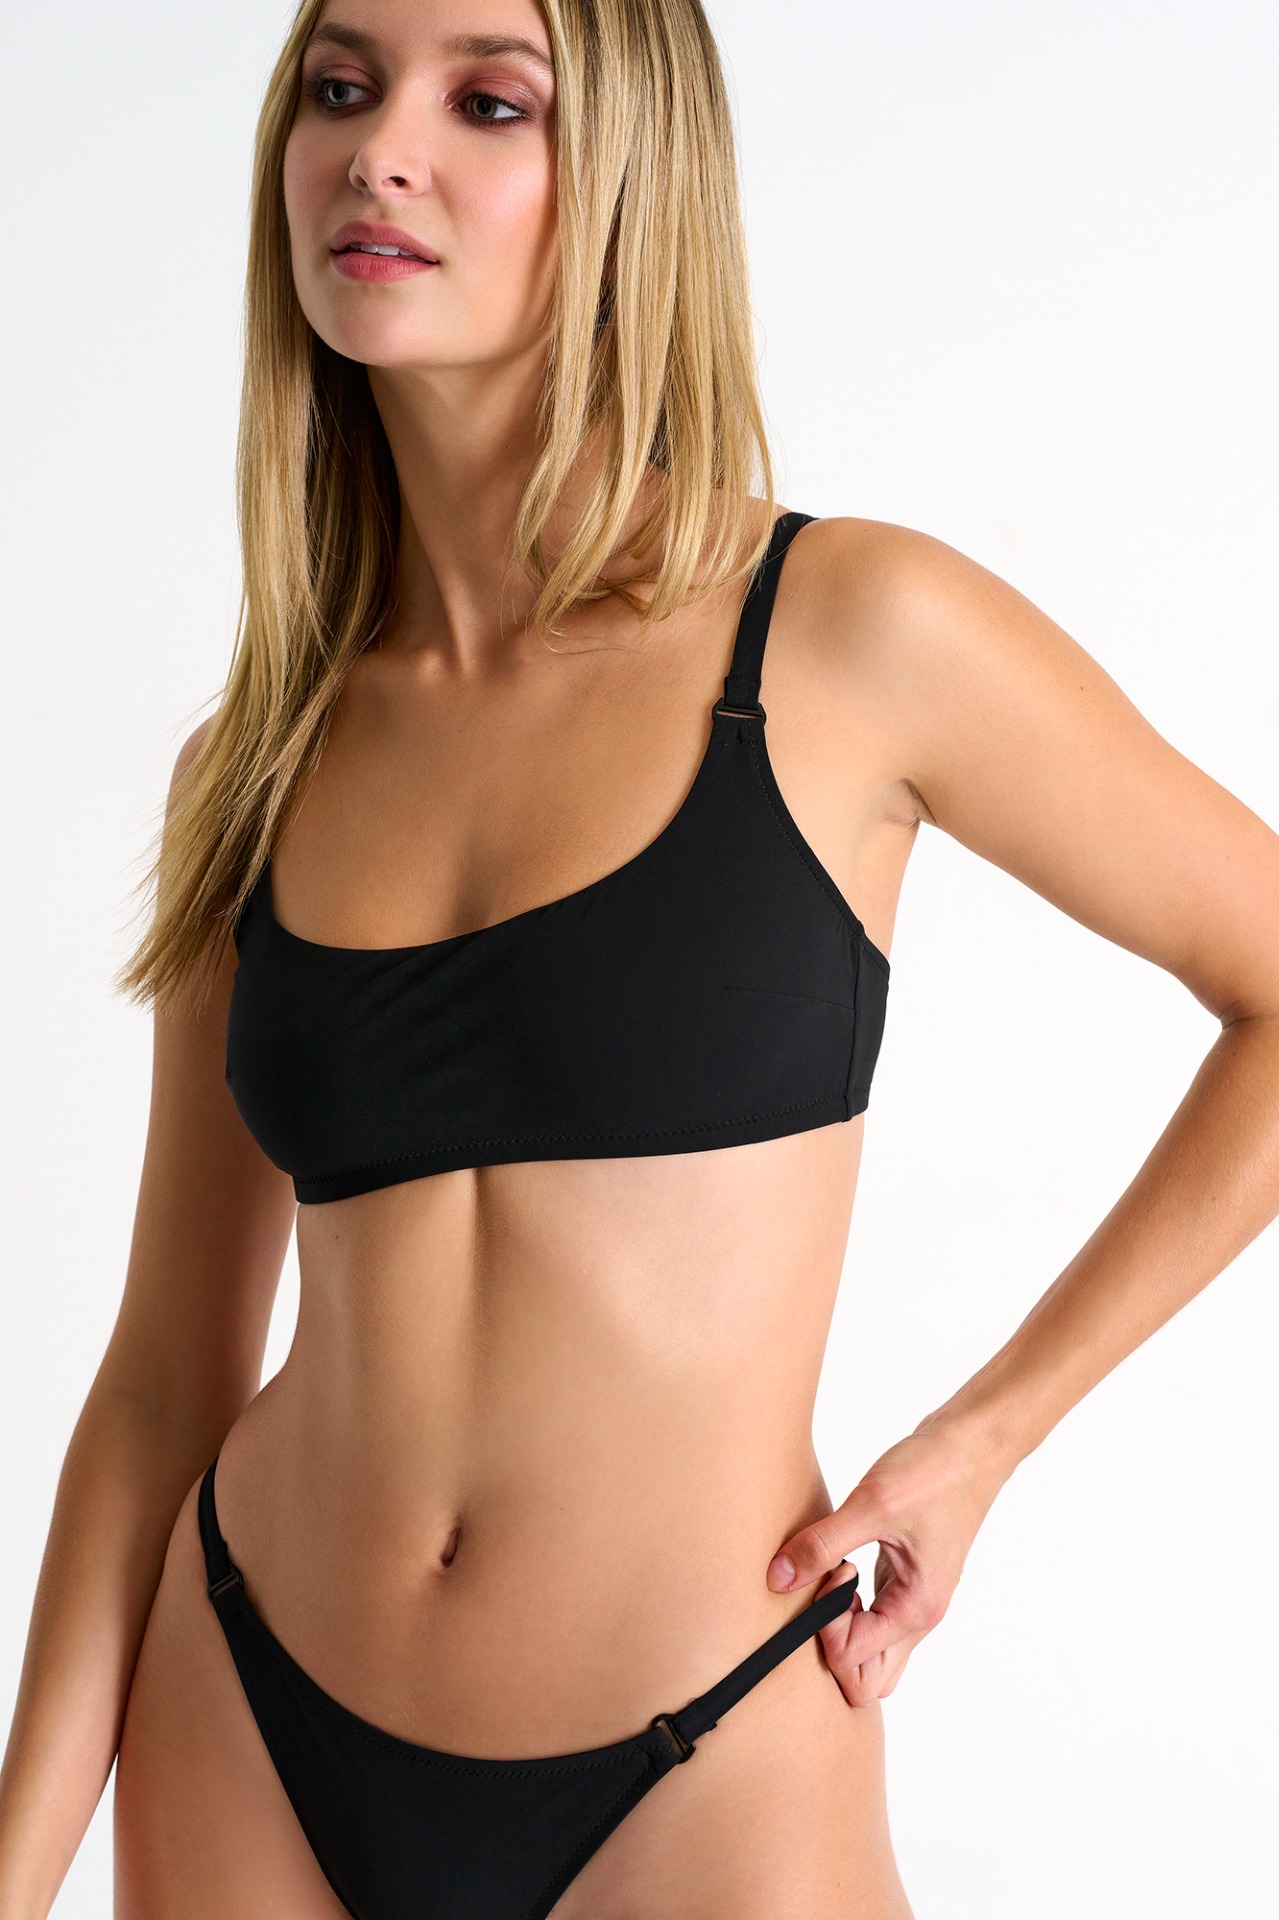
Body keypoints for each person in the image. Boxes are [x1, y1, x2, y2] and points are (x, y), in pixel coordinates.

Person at [2, 1, 1278, 1915]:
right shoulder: (257, 757)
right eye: (340, 87)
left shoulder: (849, 634)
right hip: (247, 1706)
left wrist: (983, 1443)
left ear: (628, 180)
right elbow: (164, 1381)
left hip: (708, 1745)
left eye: (486, 101)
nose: (380, 150)